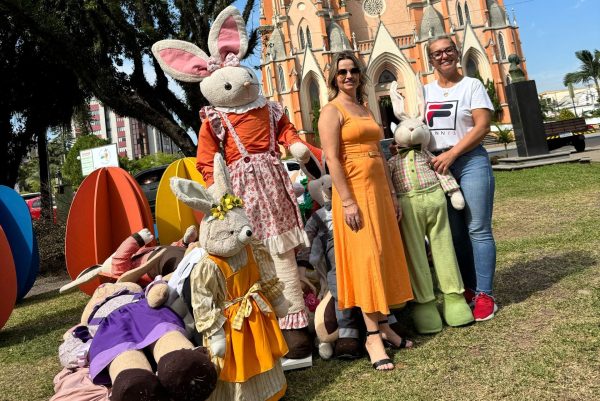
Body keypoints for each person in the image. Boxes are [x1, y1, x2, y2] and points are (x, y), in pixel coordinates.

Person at [318, 51, 414, 371]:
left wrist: (392, 194)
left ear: (360, 75)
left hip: (378, 190)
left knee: (383, 254)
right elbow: (332, 159)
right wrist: (346, 201)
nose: (349, 76)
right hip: (354, 193)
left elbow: (379, 151)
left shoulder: (364, 107)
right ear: (333, 77)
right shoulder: (331, 111)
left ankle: (384, 324)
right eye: (342, 72)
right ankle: (372, 335)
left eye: (353, 71)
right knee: (367, 259)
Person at [423, 35, 498, 321]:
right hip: (438, 166)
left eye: (448, 51)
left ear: (456, 53)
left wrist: (453, 154)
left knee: (477, 227)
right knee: (453, 234)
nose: (444, 56)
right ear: (430, 60)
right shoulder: (425, 91)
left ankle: (485, 294)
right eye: (437, 53)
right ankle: (468, 288)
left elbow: (482, 126)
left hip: (469, 161)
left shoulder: (472, 86)